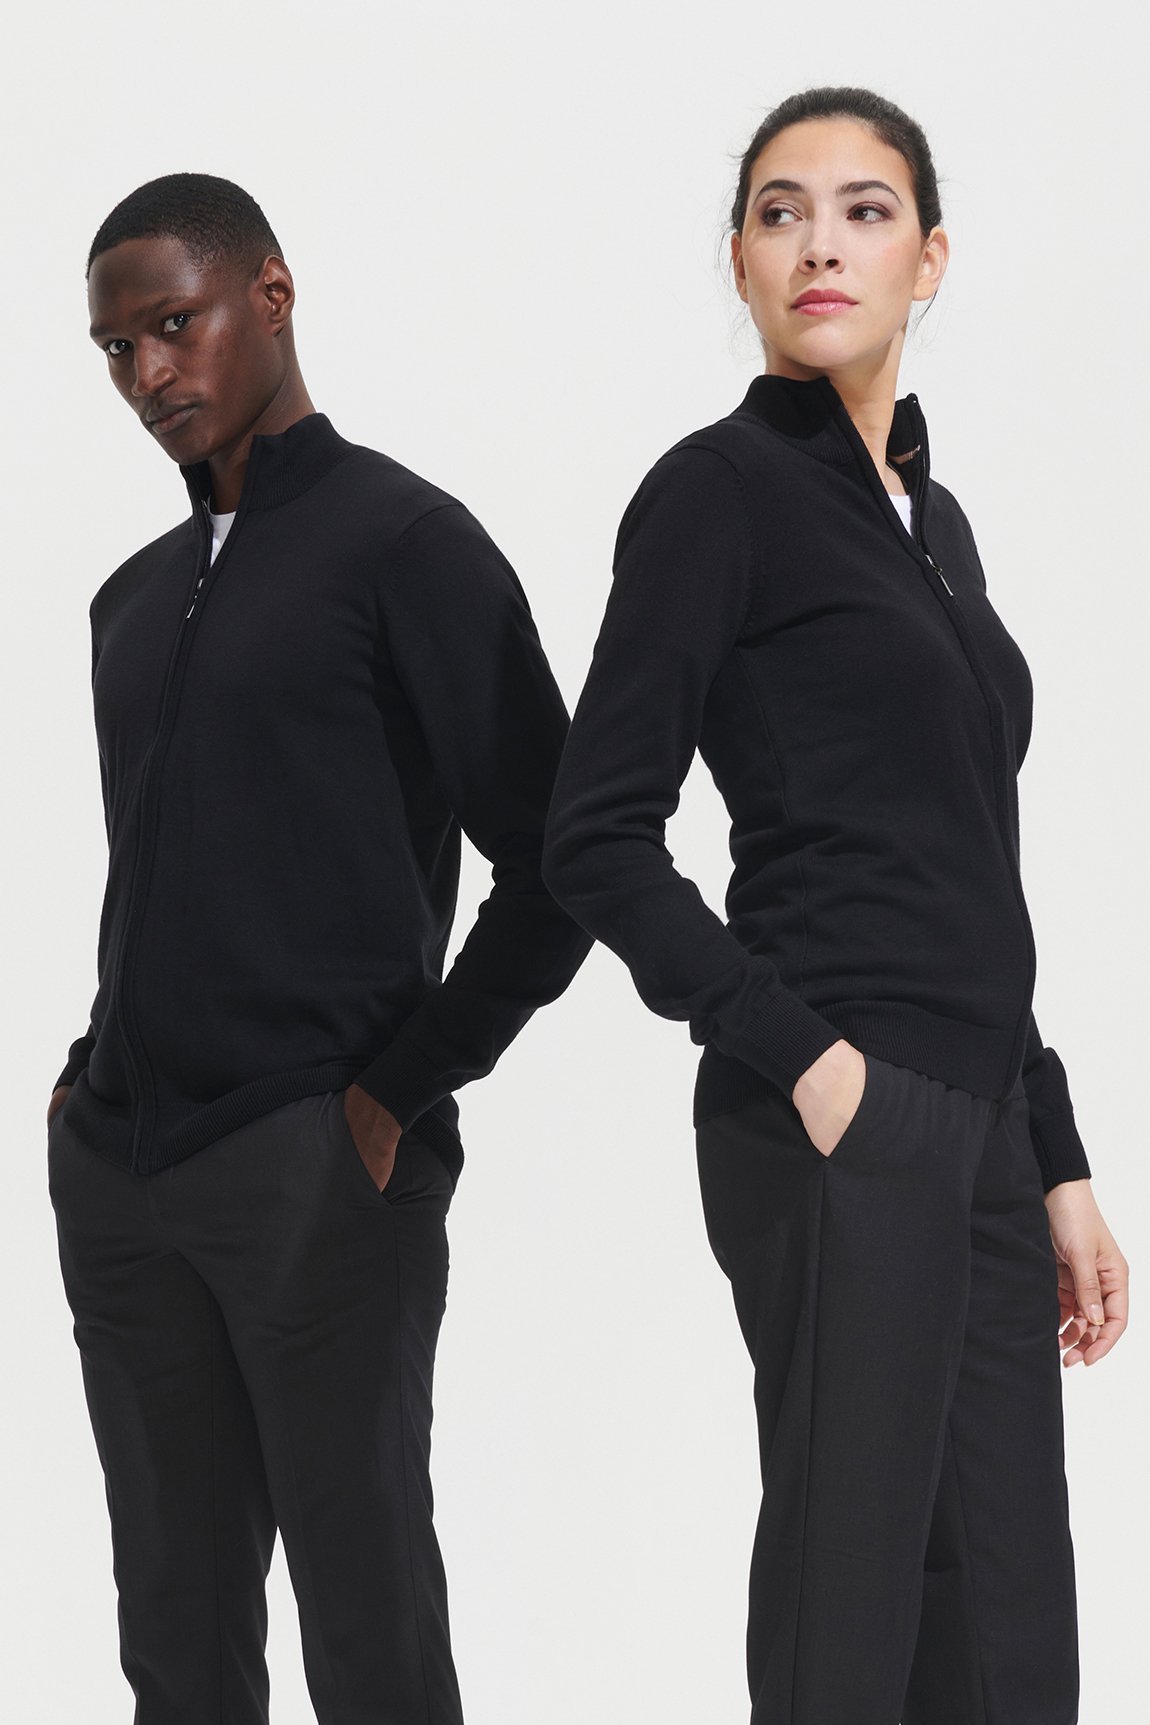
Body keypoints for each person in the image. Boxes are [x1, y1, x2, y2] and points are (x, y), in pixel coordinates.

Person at [543, 87, 1127, 1724]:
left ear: (927, 256)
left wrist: (1055, 1154)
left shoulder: (934, 526)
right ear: (738, 257)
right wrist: (807, 1063)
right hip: (835, 1106)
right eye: (779, 210)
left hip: (982, 1118)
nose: (819, 242)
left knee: (1010, 1638)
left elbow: (970, 870)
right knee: (848, 1628)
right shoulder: (716, 491)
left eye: (865, 210)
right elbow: (594, 835)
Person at [48, 172, 589, 1725]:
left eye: (175, 324)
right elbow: (169, 876)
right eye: (117, 348)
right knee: (174, 1631)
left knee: (368, 1631)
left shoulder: (403, 542)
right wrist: (90, 1082)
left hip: (315, 1163)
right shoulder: (132, 602)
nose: (149, 372)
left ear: (269, 297)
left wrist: (401, 1083)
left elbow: (561, 860)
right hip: (125, 1171)